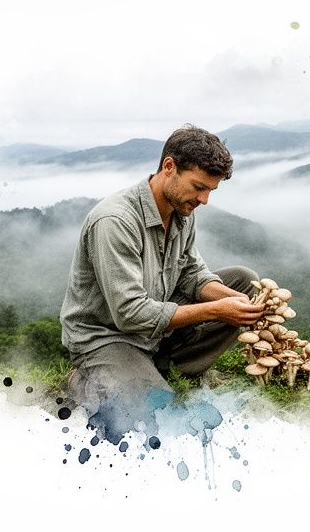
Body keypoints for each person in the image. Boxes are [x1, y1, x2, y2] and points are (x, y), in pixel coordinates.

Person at [59, 124, 263, 443]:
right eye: (199, 187)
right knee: (159, 415)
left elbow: (193, 275)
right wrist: (218, 311)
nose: (204, 199)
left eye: (210, 190)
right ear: (169, 167)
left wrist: (239, 302)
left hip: (154, 330)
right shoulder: (115, 222)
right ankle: (89, 380)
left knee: (247, 283)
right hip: (109, 336)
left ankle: (157, 366)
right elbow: (129, 313)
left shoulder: (182, 212)